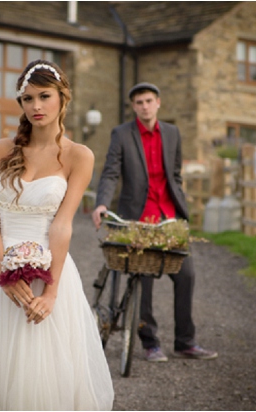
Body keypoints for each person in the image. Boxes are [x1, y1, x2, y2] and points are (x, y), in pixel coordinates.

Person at [0, 60, 114, 410]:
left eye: (44, 96)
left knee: (42, 375)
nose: (36, 106)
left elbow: (62, 224)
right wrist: (4, 272)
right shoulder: (0, 150)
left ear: (63, 98)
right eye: (27, 98)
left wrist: (51, 291)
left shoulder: (80, 156)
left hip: (50, 270)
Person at [91, 82, 218, 362]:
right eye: (139, 102)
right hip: (138, 219)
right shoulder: (122, 134)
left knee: (186, 275)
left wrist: (180, 204)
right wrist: (102, 203)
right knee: (143, 280)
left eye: (149, 101)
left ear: (158, 102)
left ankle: (186, 342)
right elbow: (111, 173)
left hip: (169, 218)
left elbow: (175, 174)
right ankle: (151, 344)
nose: (144, 106)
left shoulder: (172, 133)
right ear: (134, 107)